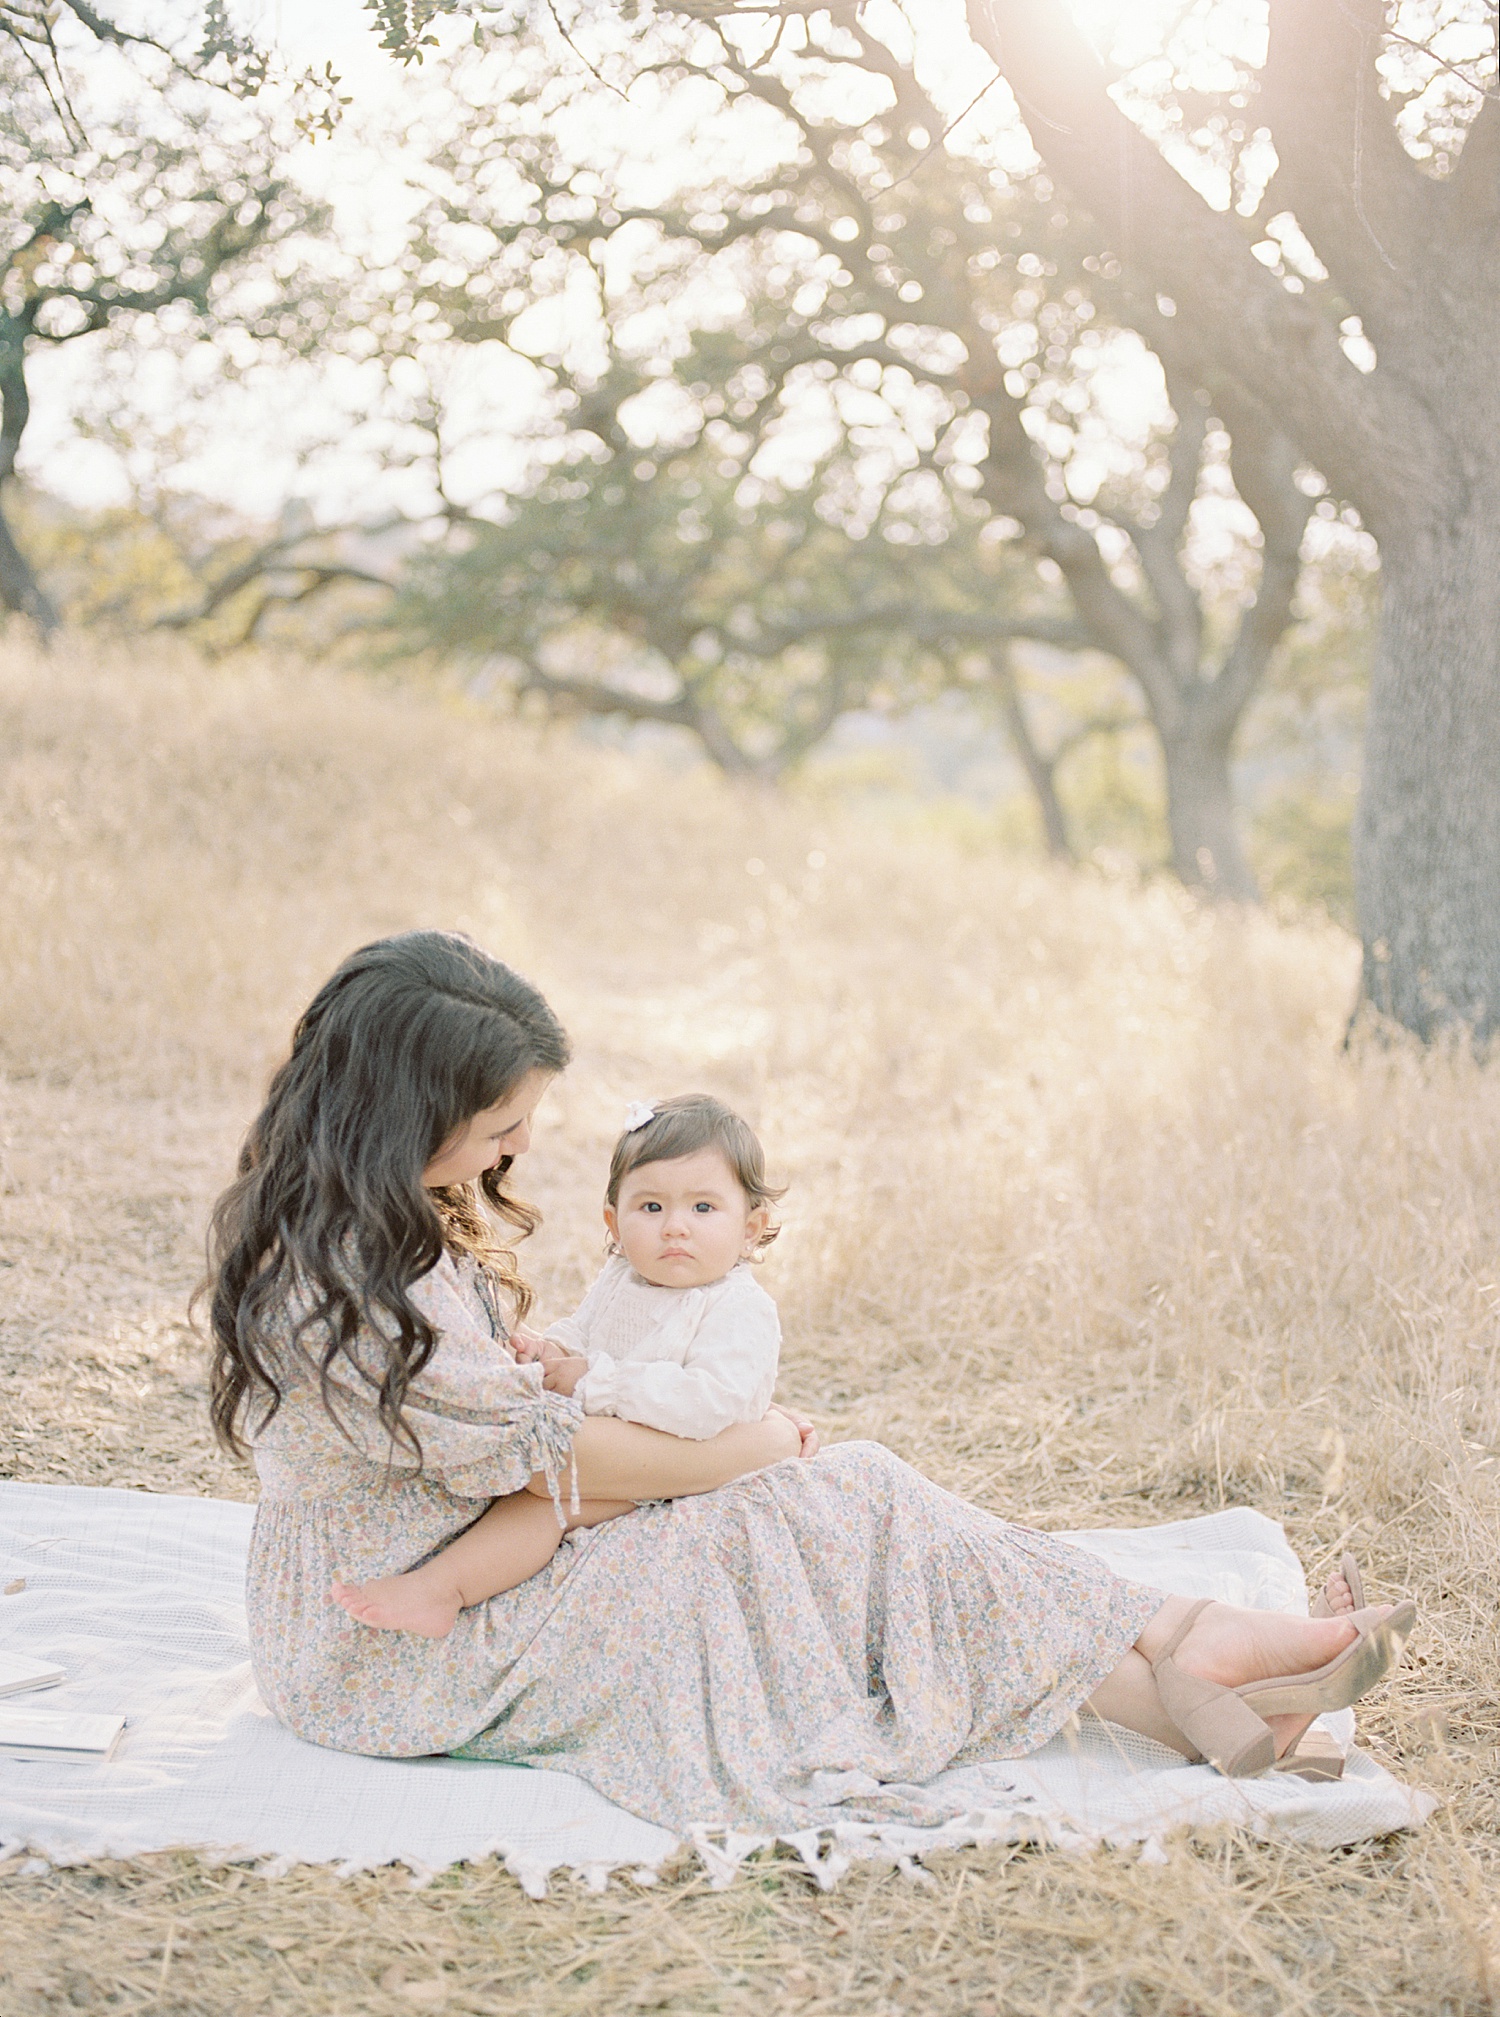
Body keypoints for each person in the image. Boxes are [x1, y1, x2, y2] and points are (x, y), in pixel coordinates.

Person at [205, 930, 1416, 1835]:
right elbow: (571, 1456)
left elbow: (559, 1442)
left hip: (486, 1558)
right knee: (828, 1499)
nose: (516, 1150)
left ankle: (1190, 1680)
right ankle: (1189, 1649)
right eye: (499, 1125)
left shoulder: (390, 1213)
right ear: (404, 1110)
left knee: (847, 1504)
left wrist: (759, 1452)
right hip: (401, 1630)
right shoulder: (339, 1293)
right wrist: (758, 1448)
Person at [328, 1093, 785, 1636]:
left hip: (689, 1465)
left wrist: (595, 1382)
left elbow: (709, 1403)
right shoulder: (624, 1279)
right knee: (534, 1489)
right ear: (613, 1222)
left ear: (751, 1228)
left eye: (703, 1208)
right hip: (626, 1448)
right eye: (652, 1207)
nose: (675, 1227)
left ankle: (439, 1591)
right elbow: (585, 1334)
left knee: (546, 1505)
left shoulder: (738, 1307)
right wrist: (550, 1351)